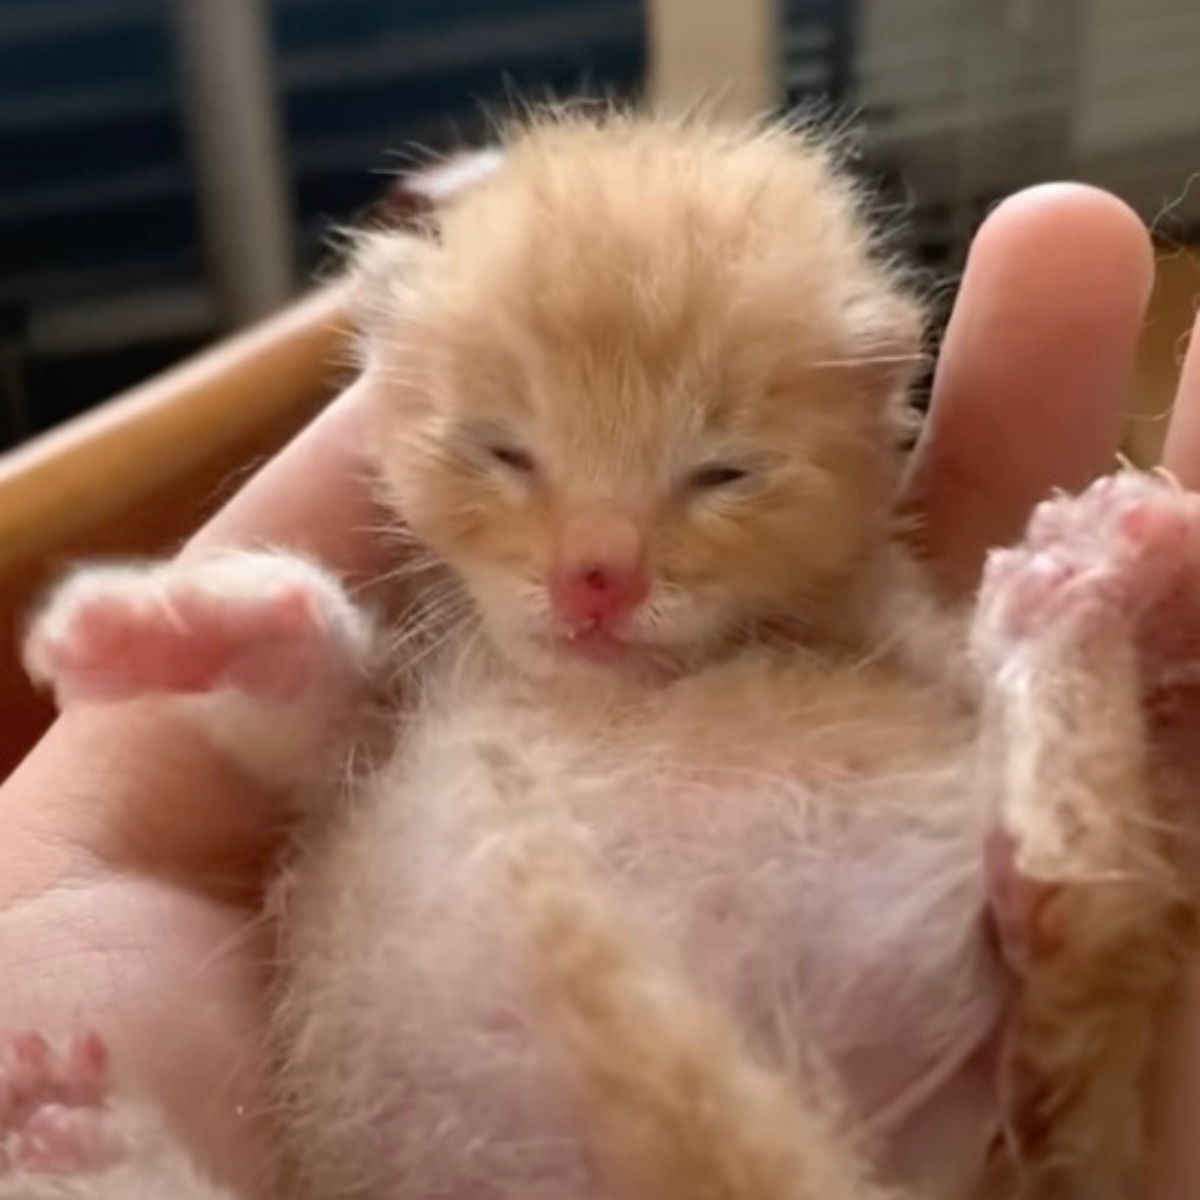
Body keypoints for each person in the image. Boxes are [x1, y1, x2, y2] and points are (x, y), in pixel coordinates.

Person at [1, 183, 1198, 1198]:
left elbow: (953, 692)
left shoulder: (852, 603)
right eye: (506, 455)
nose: (597, 571)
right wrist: (281, 638)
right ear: (397, 373)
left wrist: (1060, 653)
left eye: (722, 473)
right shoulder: (442, 630)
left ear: (868, 410)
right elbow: (339, 758)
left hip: (915, 1074)